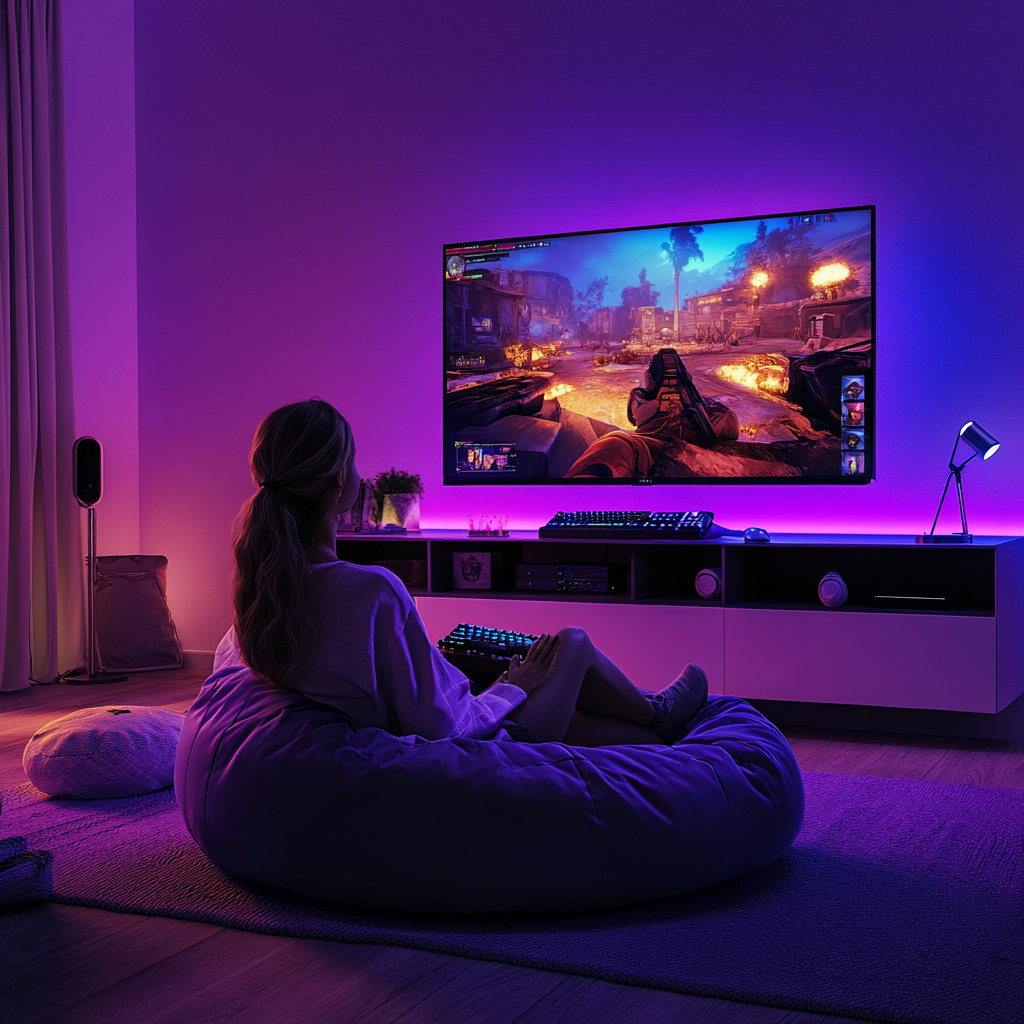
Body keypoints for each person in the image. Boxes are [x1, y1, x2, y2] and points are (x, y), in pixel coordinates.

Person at [225, 398, 707, 746]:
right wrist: (513, 687)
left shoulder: (261, 597)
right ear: (338, 485)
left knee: (577, 720)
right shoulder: (370, 591)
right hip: (486, 750)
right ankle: (658, 711)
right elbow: (444, 730)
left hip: (459, 720)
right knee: (572, 644)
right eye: (353, 460)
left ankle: (662, 734)